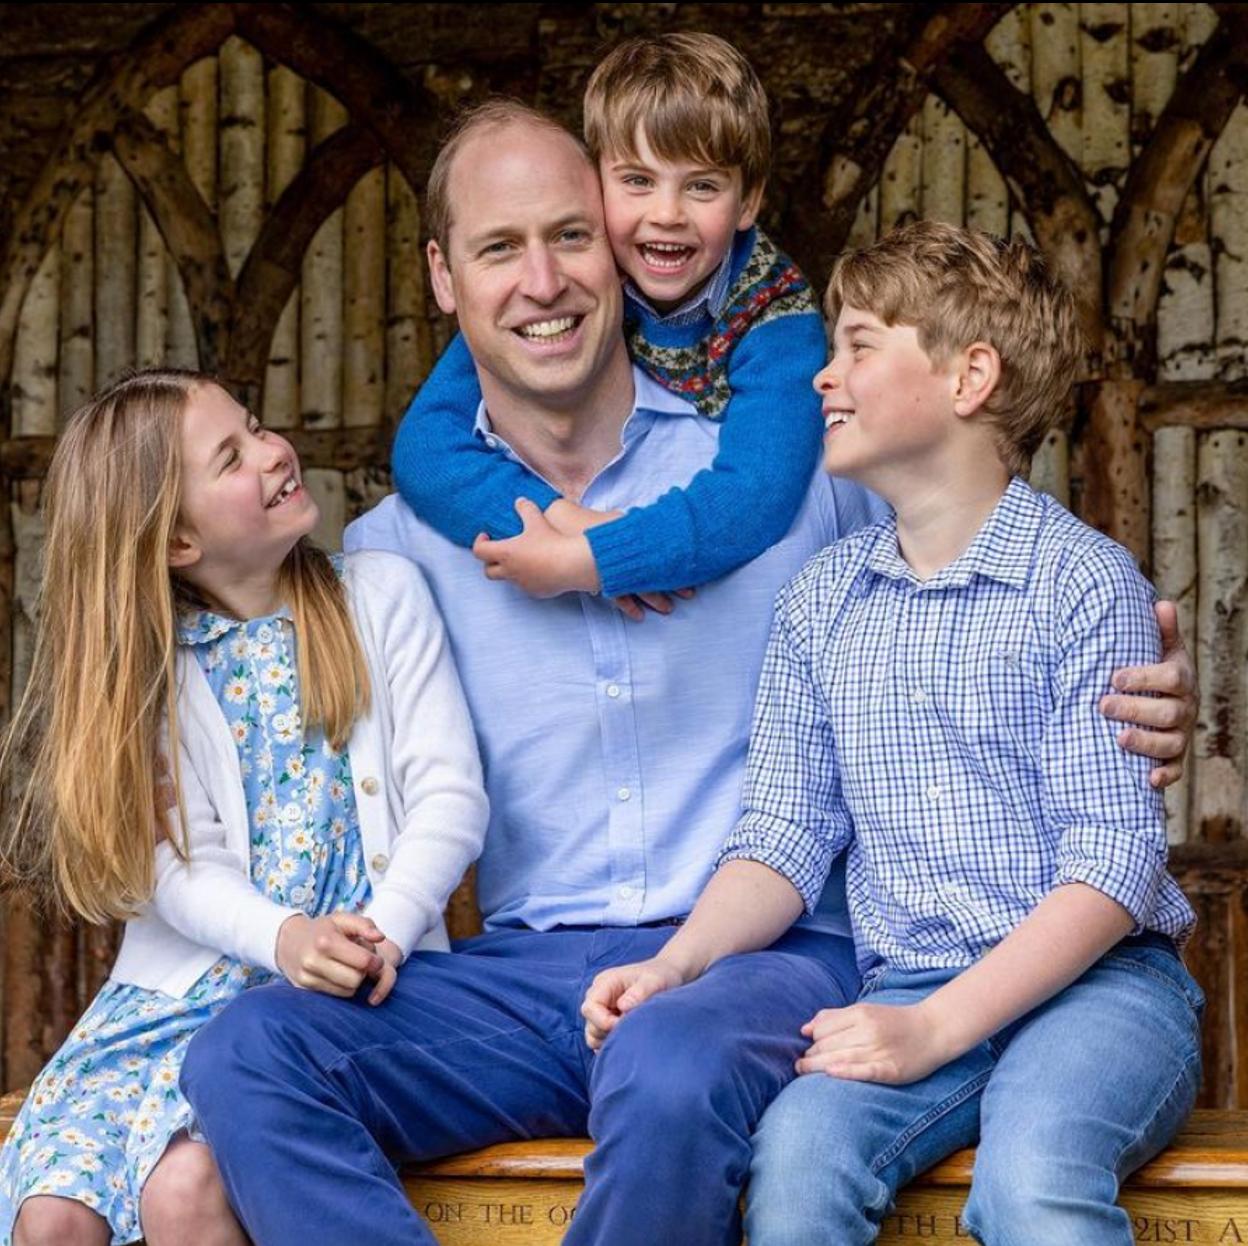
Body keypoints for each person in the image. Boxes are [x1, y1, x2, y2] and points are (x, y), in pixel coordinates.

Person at [181, 109, 1196, 1246]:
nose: (544, 280)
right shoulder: (389, 555)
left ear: (619, 251)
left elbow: (977, 565)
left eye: (571, 236)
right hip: (528, 977)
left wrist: (1149, 685)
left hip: (773, 959)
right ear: (442, 277)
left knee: (669, 1066)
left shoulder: (791, 476)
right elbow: (225, 675)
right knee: (248, 1051)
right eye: (499, 248)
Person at [580, 221, 1203, 1246]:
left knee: (1033, 1177)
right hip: (910, 981)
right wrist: (674, 964)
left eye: (860, 345)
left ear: (970, 377)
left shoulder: (1083, 583)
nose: (825, 377)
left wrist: (935, 1028)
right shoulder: (822, 602)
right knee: (795, 1167)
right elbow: (782, 834)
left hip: (1102, 993)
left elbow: (1113, 863)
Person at [0, 370, 487, 1246]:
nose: (273, 452)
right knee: (52, 1221)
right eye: (232, 456)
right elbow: (178, 869)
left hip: (356, 994)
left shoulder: (380, 597)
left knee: (183, 1193)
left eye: (257, 427)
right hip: (175, 1005)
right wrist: (283, 939)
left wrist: (380, 934)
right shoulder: (154, 673)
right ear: (179, 540)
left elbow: (450, 798)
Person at [391, 34, 827, 607]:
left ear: (747, 204)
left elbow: (758, 495)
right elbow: (424, 449)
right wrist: (560, 521)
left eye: (701, 186)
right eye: (638, 181)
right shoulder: (590, 279)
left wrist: (603, 558)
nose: (666, 215)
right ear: (597, 185)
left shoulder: (778, 317)